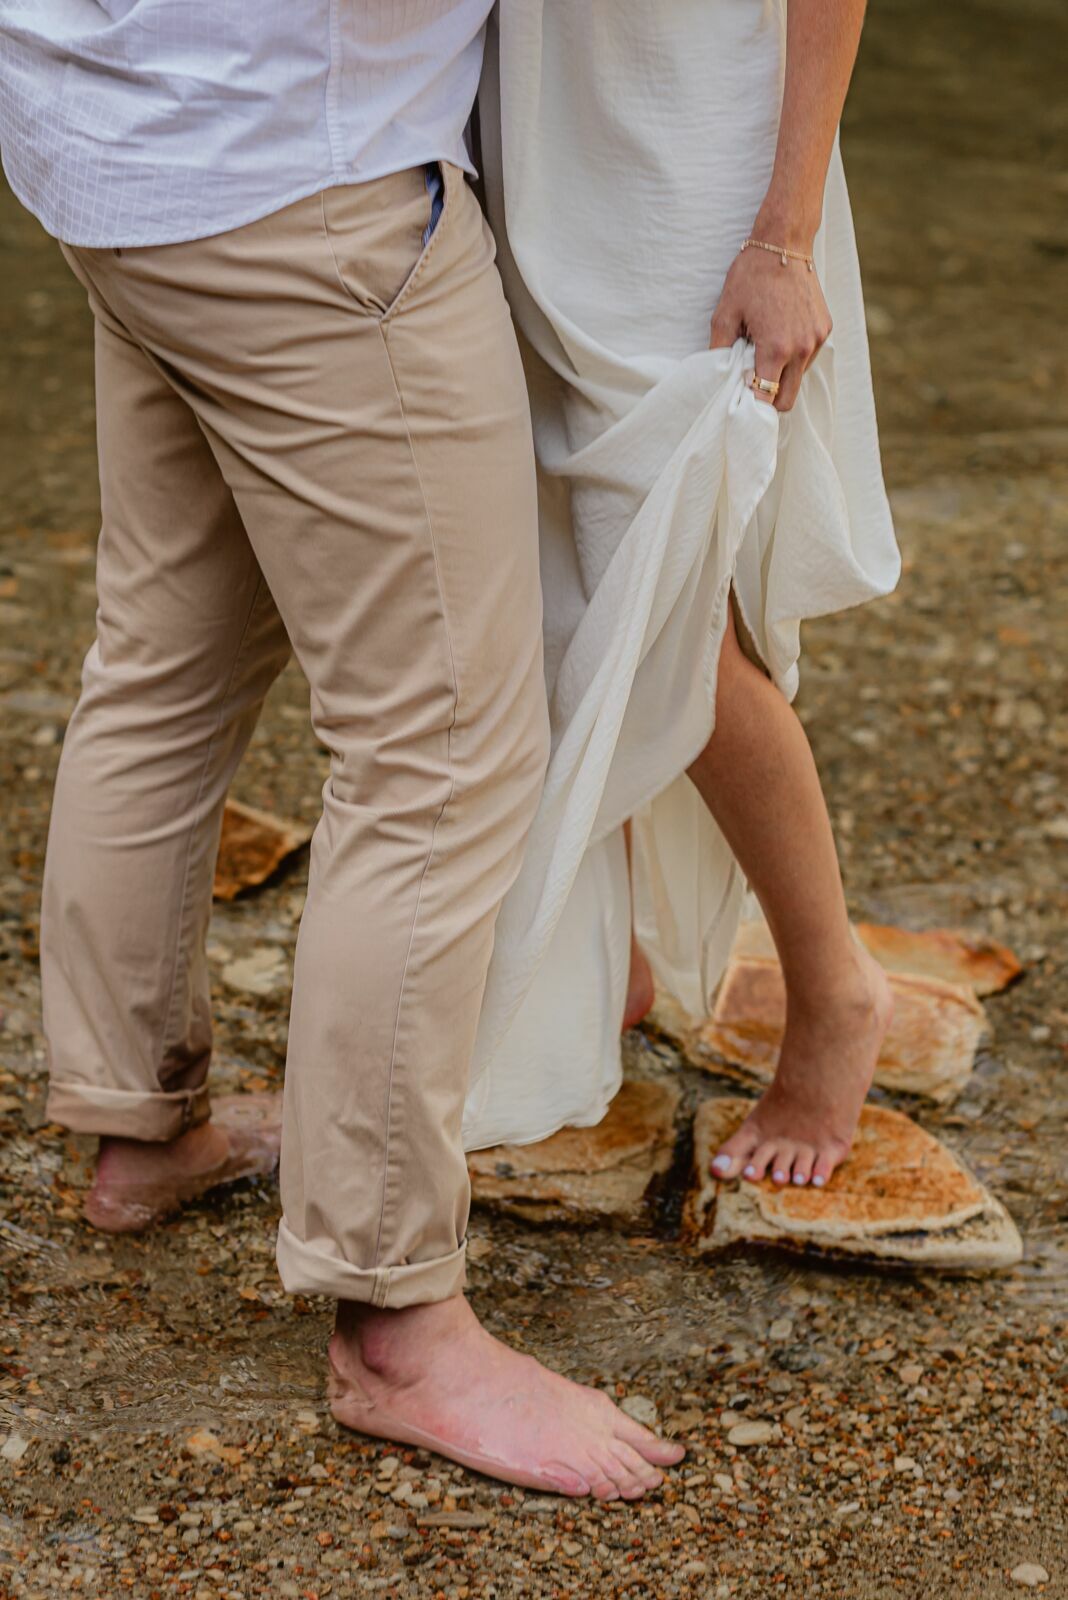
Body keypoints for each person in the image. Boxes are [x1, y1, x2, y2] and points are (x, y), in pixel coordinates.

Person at [0, 2, 682, 1499]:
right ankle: (398, 1327)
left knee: (168, 658)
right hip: (302, 182)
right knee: (442, 760)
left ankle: (135, 1126)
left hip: (109, 142)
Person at [464, 0, 902, 1192]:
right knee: (550, 569)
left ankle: (833, 988)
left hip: (687, 149)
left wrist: (788, 231)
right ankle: (607, 960)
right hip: (536, 126)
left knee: (669, 608)